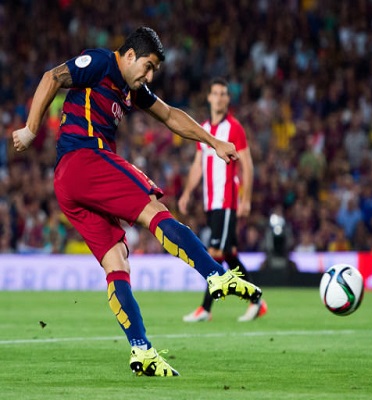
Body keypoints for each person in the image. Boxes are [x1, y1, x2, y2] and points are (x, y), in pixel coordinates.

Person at [12, 27, 262, 377]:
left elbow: (171, 115)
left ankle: (141, 350)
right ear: (130, 55)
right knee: (153, 210)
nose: (150, 75)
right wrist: (31, 128)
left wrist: (212, 141)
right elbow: (51, 77)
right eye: (148, 66)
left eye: (154, 70)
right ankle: (215, 275)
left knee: (118, 263)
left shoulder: (132, 89)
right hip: (85, 158)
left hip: (69, 184)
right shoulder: (101, 62)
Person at [178, 77, 267, 323]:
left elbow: (246, 164)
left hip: (226, 200)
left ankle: (205, 308)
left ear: (228, 99)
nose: (219, 97)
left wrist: (246, 199)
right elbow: (198, 164)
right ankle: (256, 300)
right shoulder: (204, 128)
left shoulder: (234, 128)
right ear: (208, 97)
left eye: (223, 94)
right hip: (210, 202)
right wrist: (187, 193)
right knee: (229, 255)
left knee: (215, 253)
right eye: (215, 93)